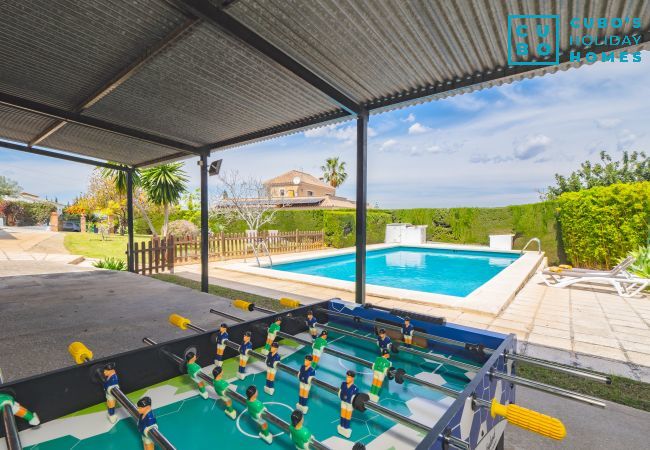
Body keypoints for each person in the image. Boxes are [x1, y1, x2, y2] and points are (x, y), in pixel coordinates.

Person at [337, 370, 358, 438]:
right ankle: (341, 426)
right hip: (343, 402)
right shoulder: (343, 384)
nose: (347, 378)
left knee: (347, 416)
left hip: (349, 404)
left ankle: (346, 428)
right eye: (347, 377)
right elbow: (340, 392)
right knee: (342, 415)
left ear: (352, 378)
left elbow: (354, 398)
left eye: (349, 377)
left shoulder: (355, 388)